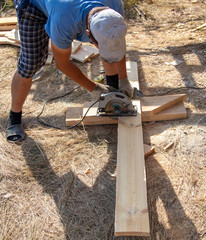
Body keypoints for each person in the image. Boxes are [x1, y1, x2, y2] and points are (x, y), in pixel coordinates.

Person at [6, 0, 133, 143]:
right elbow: (63, 64)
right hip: (34, 5)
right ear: (88, 33)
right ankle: (14, 117)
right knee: (31, 64)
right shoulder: (64, 21)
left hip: (63, 8)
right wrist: (95, 89)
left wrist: (123, 80)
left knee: (108, 46)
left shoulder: (116, 5)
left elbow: (114, 41)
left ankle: (113, 87)